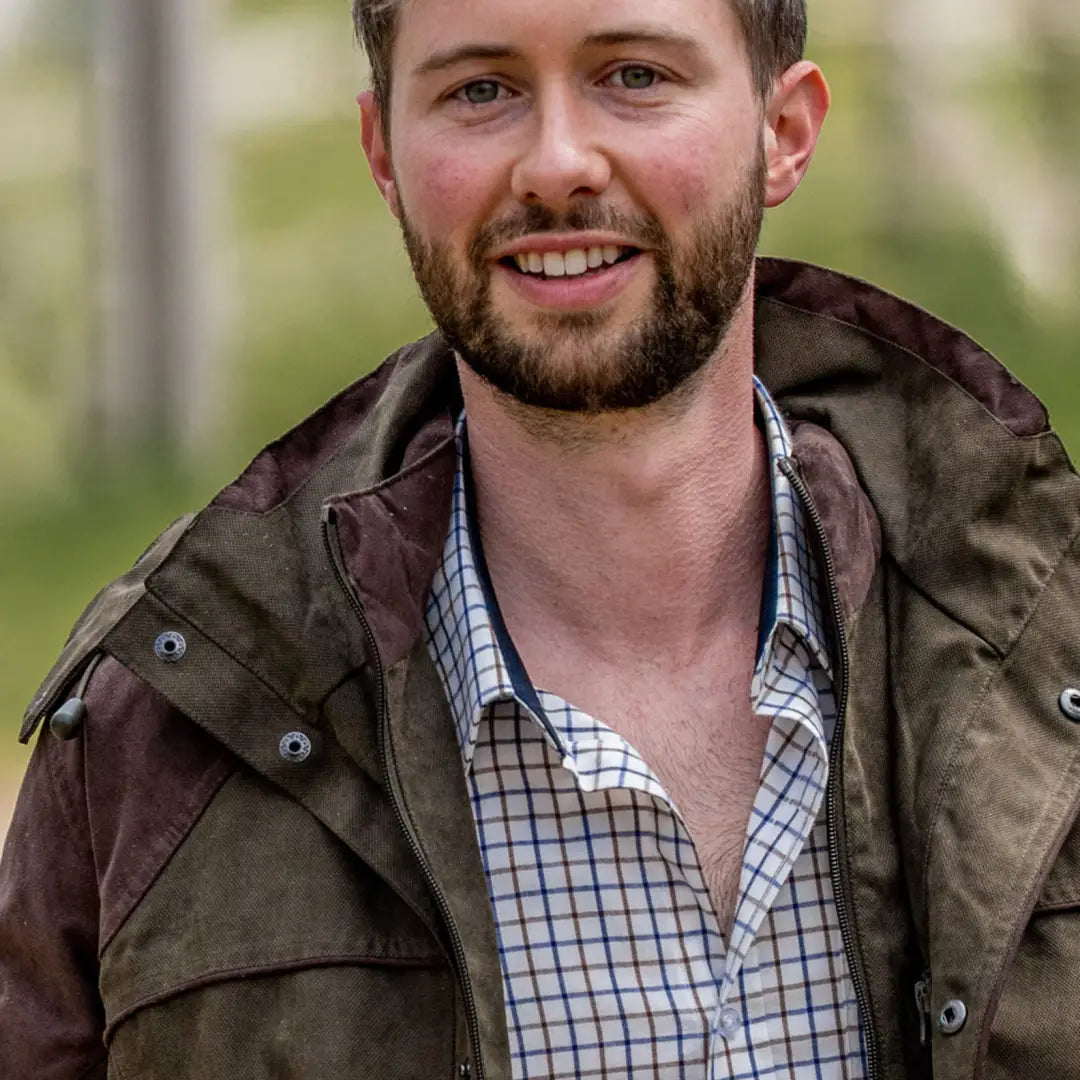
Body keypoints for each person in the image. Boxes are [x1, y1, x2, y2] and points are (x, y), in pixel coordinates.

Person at [3, 0, 1079, 1076]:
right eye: (481, 91)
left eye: (636, 76)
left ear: (781, 131)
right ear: (384, 151)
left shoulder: (1051, 652)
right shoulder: (163, 736)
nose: (558, 163)